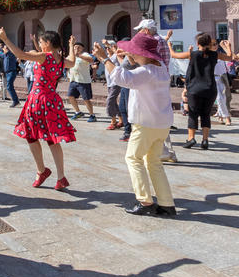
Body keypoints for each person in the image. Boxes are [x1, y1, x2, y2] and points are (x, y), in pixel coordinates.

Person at [93, 33, 176, 217]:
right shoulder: (160, 67)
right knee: (153, 162)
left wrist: (104, 59)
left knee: (133, 158)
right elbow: (132, 72)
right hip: (162, 124)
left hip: (146, 124)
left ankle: (145, 201)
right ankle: (166, 203)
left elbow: (122, 78)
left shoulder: (145, 72)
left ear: (141, 53)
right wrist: (130, 57)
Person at [0, 28, 77, 190]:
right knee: (52, 138)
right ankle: (60, 176)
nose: (40, 45)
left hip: (38, 99)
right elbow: (72, 61)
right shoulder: (60, 59)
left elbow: (20, 55)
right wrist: (71, 46)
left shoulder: (44, 56)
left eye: (41, 42)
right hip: (52, 101)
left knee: (31, 135)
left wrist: (5, 39)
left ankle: (41, 170)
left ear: (48, 43)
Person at [169, 33, 233, 150]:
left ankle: (191, 138)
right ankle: (205, 140)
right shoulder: (215, 55)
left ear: (197, 43)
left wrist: (169, 45)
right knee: (206, 114)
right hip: (210, 88)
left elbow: (174, 55)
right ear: (209, 44)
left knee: (193, 114)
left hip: (195, 88)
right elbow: (229, 57)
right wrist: (228, 47)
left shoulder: (193, 54)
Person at [67, 41, 95, 122]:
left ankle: (92, 115)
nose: (76, 48)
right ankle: (78, 112)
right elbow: (67, 63)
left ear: (82, 48)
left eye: (78, 47)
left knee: (86, 99)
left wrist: (79, 55)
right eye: (75, 47)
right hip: (73, 80)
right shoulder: (71, 55)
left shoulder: (85, 54)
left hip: (83, 81)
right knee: (70, 96)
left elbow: (91, 60)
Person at [101, 41, 124, 131]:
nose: (107, 49)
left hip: (116, 82)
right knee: (113, 102)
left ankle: (113, 121)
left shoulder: (116, 55)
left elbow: (117, 53)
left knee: (110, 100)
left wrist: (108, 44)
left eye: (108, 47)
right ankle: (121, 120)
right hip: (109, 82)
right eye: (106, 48)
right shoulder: (107, 56)